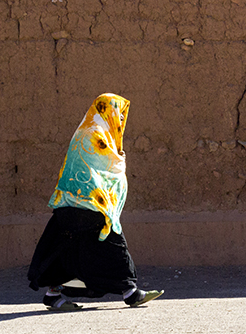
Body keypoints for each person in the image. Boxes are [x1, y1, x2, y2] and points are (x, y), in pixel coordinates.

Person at [27, 93, 163, 311]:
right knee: (113, 245)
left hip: (70, 205)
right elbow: (100, 170)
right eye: (117, 114)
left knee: (69, 252)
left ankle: (54, 295)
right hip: (89, 205)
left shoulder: (88, 132)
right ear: (108, 112)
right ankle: (131, 293)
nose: (120, 121)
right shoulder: (94, 135)